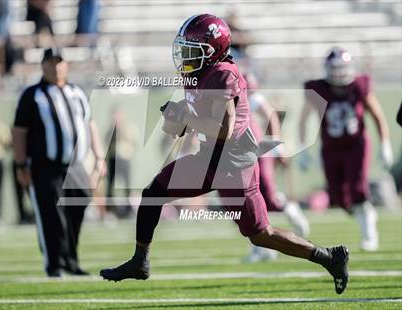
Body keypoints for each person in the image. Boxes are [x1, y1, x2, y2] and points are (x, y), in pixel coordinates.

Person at [100, 14, 349, 295]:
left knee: (260, 235)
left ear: (212, 50)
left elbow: (224, 129)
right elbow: (180, 126)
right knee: (153, 193)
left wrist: (185, 118)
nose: (185, 56)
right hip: (210, 157)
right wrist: (175, 117)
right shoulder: (197, 74)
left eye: (192, 50)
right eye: (184, 49)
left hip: (234, 164)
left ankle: (329, 258)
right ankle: (139, 261)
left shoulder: (222, 74)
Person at [13, 47, 106, 277]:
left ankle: (70, 259)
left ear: (66, 65)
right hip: (45, 165)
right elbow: (19, 132)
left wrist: (100, 156)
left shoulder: (77, 93)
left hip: (75, 165)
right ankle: (53, 263)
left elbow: (90, 123)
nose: (55, 66)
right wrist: (20, 164)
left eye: (59, 62)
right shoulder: (32, 95)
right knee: (51, 215)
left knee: (78, 206)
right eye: (50, 62)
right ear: (42, 66)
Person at [299, 47, 394, 252]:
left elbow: (377, 116)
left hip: (355, 145)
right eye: (335, 68)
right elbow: (304, 119)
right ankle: (365, 215)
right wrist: (302, 148)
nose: (339, 73)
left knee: (358, 189)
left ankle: (368, 229)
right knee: (338, 198)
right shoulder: (318, 88)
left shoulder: (359, 85)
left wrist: (385, 143)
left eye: (342, 68)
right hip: (331, 148)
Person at [244, 74, 310, 262]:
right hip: (240, 156)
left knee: (266, 197)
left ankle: (291, 211)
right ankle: (262, 249)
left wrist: (277, 147)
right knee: (247, 205)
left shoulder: (253, 98)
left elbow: (271, 118)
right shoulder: (231, 99)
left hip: (259, 151)